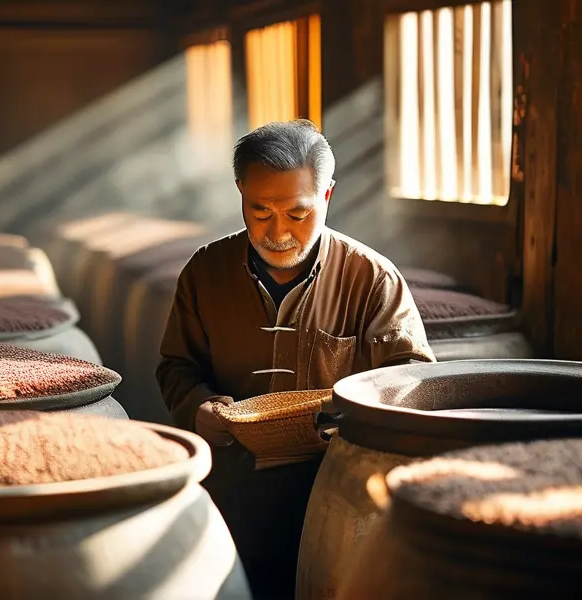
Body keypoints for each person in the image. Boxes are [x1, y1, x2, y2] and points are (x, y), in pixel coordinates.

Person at [156, 119, 435, 599]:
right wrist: (200, 410)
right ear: (240, 192)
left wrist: (346, 418)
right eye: (259, 211)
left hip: (337, 495)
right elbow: (177, 366)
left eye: (297, 213)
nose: (278, 232)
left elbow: (411, 382)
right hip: (232, 491)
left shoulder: (372, 279)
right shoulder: (205, 272)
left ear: (326, 196)